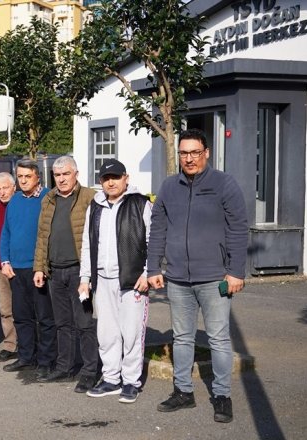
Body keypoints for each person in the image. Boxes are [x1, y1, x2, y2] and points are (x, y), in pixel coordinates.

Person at [149, 129, 248, 423]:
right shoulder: (169, 187)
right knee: (182, 338)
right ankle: (183, 392)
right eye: (183, 153)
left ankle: (222, 395)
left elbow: (238, 229)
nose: (189, 159)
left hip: (214, 277)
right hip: (178, 278)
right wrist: (154, 267)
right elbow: (157, 229)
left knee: (218, 339)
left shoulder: (224, 185)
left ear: (206, 153)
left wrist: (235, 271)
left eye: (194, 152)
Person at [78, 159, 151, 404]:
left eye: (116, 177)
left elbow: (152, 240)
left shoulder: (140, 204)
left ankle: (131, 381)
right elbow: (88, 244)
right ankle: (111, 378)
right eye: (106, 178)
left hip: (132, 280)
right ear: (101, 181)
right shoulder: (95, 207)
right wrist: (85, 277)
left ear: (126, 178)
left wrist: (147, 273)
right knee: (107, 333)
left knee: (131, 332)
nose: (111, 182)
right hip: (103, 279)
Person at [32, 155, 98, 393]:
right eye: (57, 175)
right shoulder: (48, 199)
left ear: (76, 174)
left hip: (80, 272)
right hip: (54, 271)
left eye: (66, 174)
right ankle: (65, 367)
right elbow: (41, 236)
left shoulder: (90, 197)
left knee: (85, 323)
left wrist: (91, 274)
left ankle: (90, 371)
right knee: (62, 323)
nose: (61, 179)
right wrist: (39, 267)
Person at [0, 160, 56, 376]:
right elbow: (6, 232)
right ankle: (26, 357)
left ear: (37, 177)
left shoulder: (47, 198)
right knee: (21, 316)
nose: (23, 180)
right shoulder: (14, 200)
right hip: (15, 269)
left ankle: (46, 361)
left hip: (38, 268)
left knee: (44, 318)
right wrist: (5, 260)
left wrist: (42, 266)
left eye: (27, 176)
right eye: (20, 176)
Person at [0, 172, 18, 362]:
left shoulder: (21, 204)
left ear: (14, 187)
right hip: (1, 264)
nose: (2, 192)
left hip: (22, 264)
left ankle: (30, 345)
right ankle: (10, 345)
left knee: (27, 309)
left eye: (5, 187)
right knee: (5, 308)